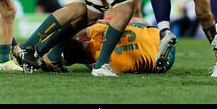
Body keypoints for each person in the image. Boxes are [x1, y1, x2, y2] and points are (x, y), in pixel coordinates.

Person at [42, 19, 175, 74]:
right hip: (159, 36)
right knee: (127, 22)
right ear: (81, 39)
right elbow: (75, 30)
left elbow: (90, 64)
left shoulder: (110, 66)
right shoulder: (96, 30)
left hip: (165, 62)